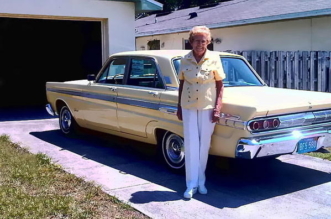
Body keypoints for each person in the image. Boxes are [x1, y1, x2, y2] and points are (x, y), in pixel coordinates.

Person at [177, 26, 225, 199]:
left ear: (208, 42)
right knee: (190, 145)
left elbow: (220, 85)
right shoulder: (184, 60)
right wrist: (179, 107)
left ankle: (201, 181)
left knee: (204, 145)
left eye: (203, 41)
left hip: (207, 107)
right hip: (188, 106)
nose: (200, 44)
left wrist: (217, 108)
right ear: (191, 41)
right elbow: (182, 84)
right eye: (197, 40)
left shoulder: (214, 58)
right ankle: (190, 185)